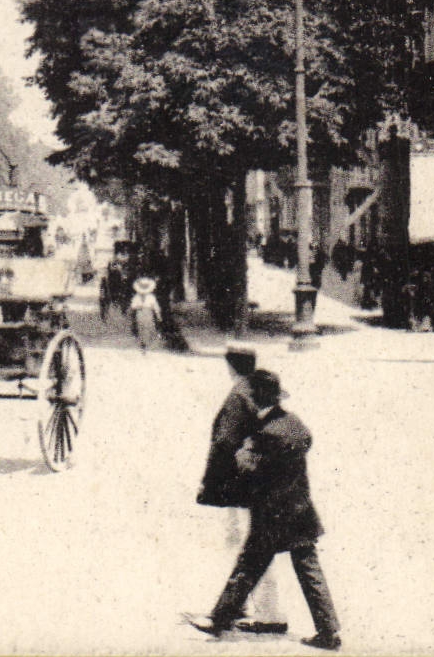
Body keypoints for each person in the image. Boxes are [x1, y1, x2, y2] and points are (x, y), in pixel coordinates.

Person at [188, 370, 341, 651]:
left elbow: (251, 470)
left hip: (272, 516)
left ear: (257, 401)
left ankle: (218, 621)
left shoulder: (265, 434)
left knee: (248, 566)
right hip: (300, 512)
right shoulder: (294, 424)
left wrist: (239, 458)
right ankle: (329, 632)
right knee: (308, 570)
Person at [197, 346, 285, 634]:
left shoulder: (238, 396)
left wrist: (214, 480)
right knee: (248, 542)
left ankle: (268, 614)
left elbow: (225, 442)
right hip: (260, 480)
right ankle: (242, 604)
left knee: (246, 543)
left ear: (230, 366)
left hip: (239, 483)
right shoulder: (260, 389)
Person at [129, 275, 160, 352]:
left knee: (148, 326)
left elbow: (155, 306)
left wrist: (158, 314)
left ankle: (146, 343)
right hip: (140, 312)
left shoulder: (151, 297)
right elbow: (133, 306)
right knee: (141, 326)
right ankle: (142, 342)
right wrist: (137, 306)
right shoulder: (136, 297)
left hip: (148, 312)